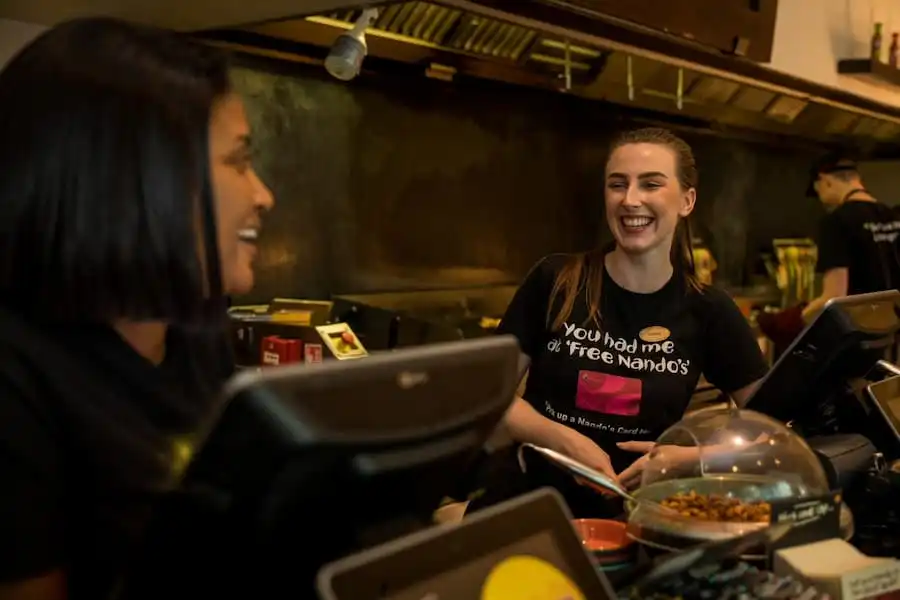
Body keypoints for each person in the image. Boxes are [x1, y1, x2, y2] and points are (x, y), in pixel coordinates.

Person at [0, 18, 274, 600]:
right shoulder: (15, 378)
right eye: (238, 161)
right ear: (144, 181)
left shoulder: (193, 336)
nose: (263, 194)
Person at [484, 127, 768, 516]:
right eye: (618, 185)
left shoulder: (709, 310)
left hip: (635, 516)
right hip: (526, 503)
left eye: (651, 184)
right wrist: (562, 438)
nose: (630, 200)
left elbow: (774, 434)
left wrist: (690, 460)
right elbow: (490, 398)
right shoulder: (556, 280)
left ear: (687, 200)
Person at [802, 153, 900, 321]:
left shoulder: (836, 221)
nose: (821, 200)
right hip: (893, 330)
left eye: (818, 192)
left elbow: (834, 297)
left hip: (860, 330)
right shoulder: (893, 215)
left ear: (825, 181)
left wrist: (802, 316)